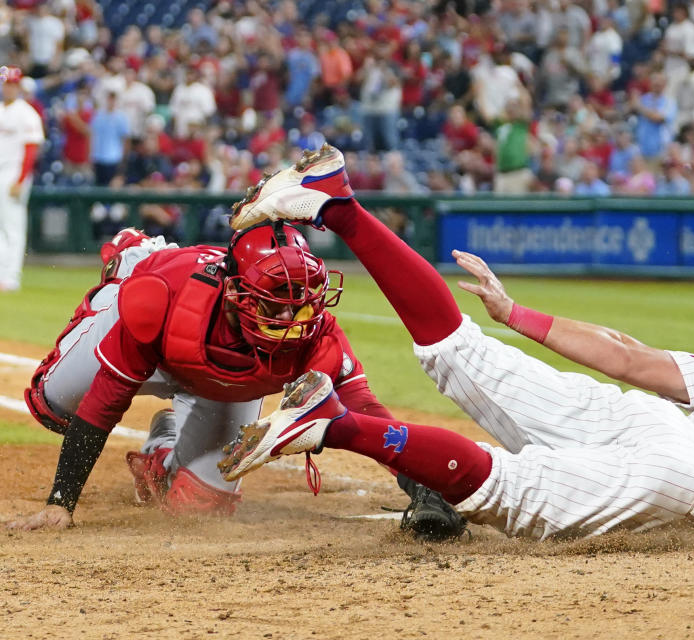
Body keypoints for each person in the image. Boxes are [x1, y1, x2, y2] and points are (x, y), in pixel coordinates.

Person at [220, 145, 694, 540]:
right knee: (508, 492)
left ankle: (339, 204)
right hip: (685, 480)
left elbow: (626, 354)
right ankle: (337, 423)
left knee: (462, 352)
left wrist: (517, 315)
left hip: (651, 423)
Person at [4, 152, 464, 540]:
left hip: (220, 381)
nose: (292, 318)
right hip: (153, 320)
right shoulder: (162, 301)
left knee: (199, 505)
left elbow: (364, 411)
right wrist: (61, 501)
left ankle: (163, 443)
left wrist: (424, 489)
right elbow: (106, 399)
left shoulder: (313, 327)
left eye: (299, 302)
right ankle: (134, 257)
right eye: (275, 303)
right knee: (50, 403)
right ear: (235, 294)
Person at [0, 66, 44, 293]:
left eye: (11, 83)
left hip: (13, 173)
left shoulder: (26, 113)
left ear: (18, 86)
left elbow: (31, 149)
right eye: (5, 83)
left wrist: (21, 179)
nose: (8, 87)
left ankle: (11, 277)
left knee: (13, 226)